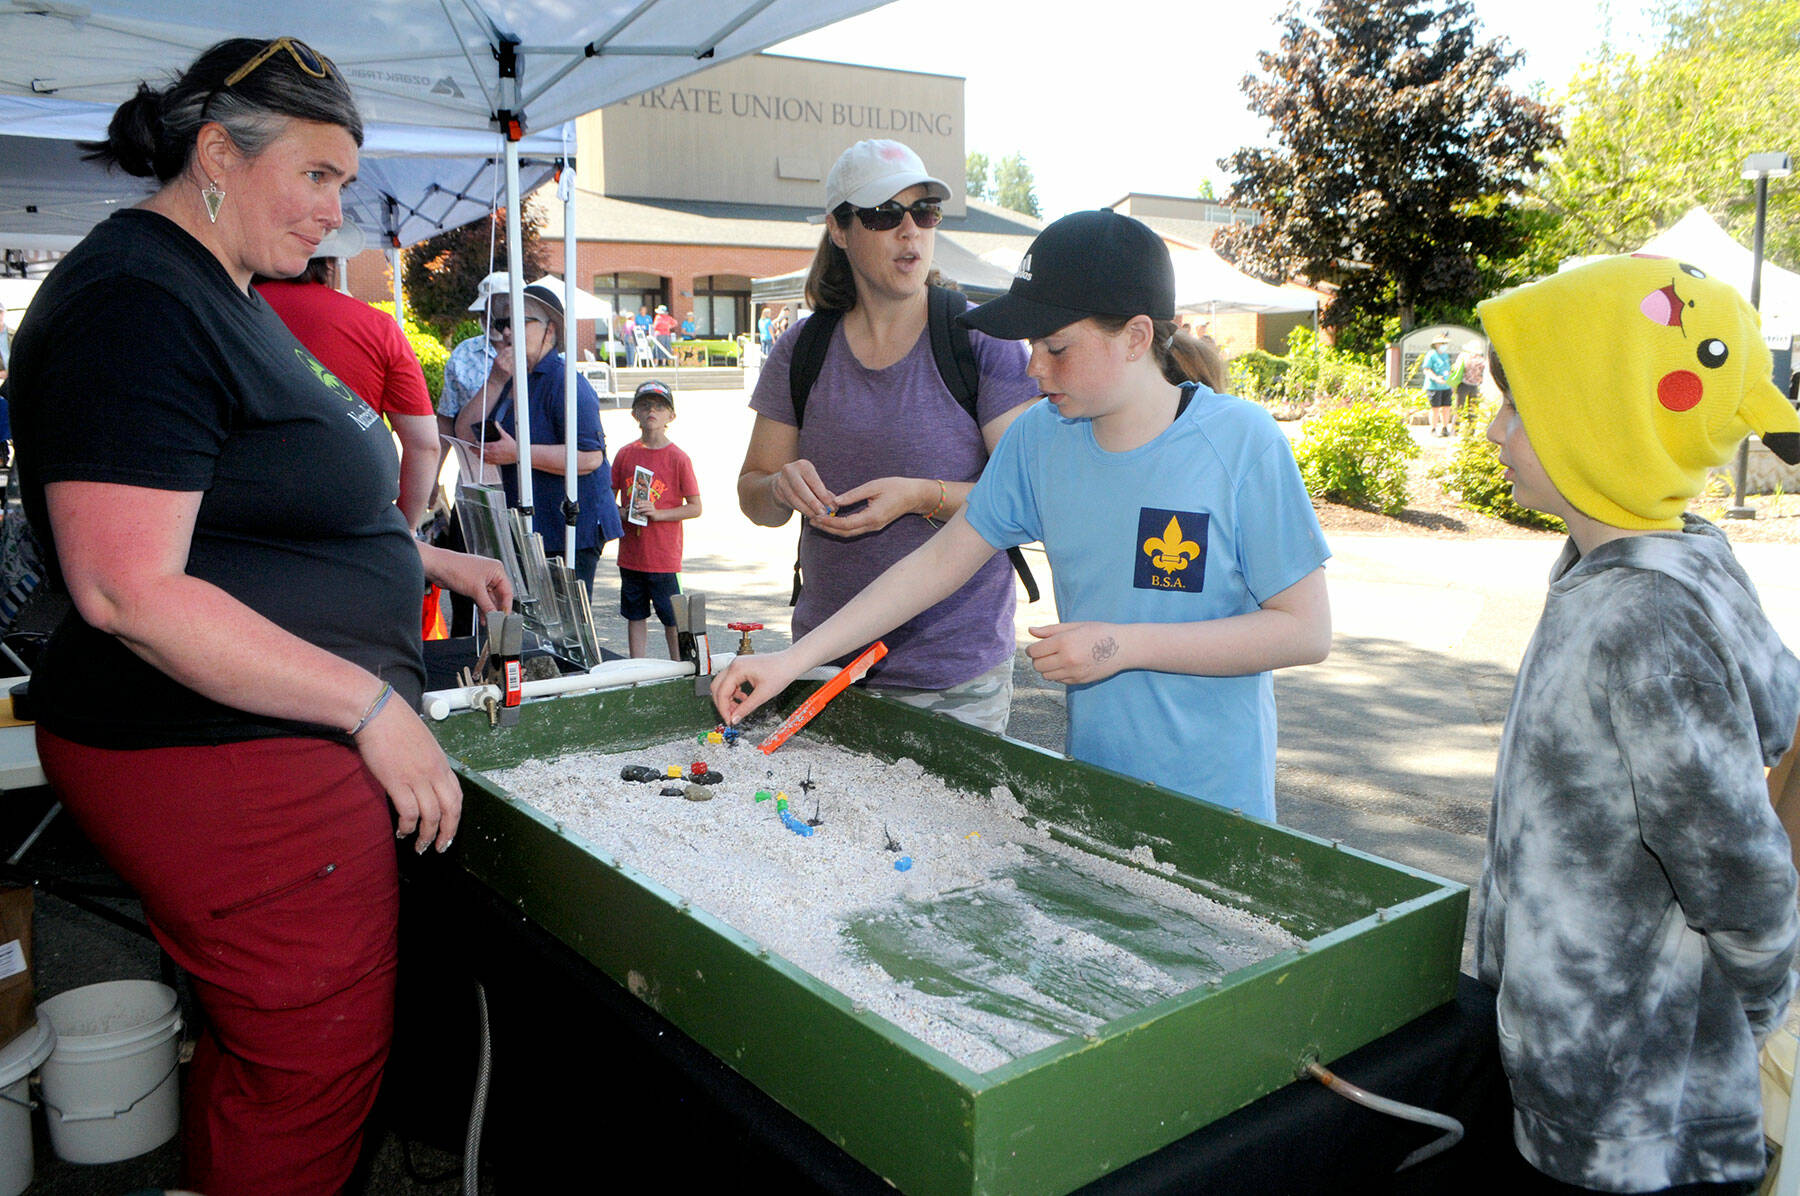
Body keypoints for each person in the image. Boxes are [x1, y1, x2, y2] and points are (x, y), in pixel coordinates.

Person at [6, 37, 512, 1195]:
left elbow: (248, 511)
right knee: (311, 1067)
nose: (338, 210)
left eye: (346, 181)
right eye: (318, 175)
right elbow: (127, 586)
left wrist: (421, 553)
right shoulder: (135, 298)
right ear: (218, 153)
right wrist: (370, 703)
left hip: (243, 744)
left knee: (261, 1055)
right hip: (229, 758)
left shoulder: (211, 286)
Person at [717, 210, 1332, 820]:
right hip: (1095, 790)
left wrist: (1122, 645)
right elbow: (934, 566)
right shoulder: (1039, 439)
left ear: (1137, 338)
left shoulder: (1240, 441)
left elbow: (1305, 630)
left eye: (1056, 346)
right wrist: (792, 662)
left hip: (1221, 804)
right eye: (1033, 344)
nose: (1034, 367)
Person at [1473, 254, 1800, 1194]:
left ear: (1598, 427)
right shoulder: (1612, 572)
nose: (1494, 429)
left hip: (1633, 1115)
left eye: (1520, 408)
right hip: (1583, 1062)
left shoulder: (1642, 615)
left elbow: (1736, 866)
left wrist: (1754, 1007)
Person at [734, 138, 1039, 732]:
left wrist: (924, 496)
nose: (910, 231)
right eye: (884, 214)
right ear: (840, 230)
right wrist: (778, 487)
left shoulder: (980, 342)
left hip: (953, 677)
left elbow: (1029, 499)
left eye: (923, 211)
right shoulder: (803, 348)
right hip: (823, 668)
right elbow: (754, 499)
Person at [257, 225, 437, 528]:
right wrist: (403, 529)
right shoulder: (377, 326)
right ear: (330, 262)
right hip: (352, 521)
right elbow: (425, 445)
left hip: (241, 523)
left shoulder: (219, 314)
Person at [451, 281, 621, 593]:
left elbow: (590, 457)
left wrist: (519, 453)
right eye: (503, 323)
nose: (506, 333)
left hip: (567, 528)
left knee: (564, 627)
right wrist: (497, 379)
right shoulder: (512, 378)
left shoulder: (566, 381)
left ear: (550, 331)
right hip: (529, 526)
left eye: (518, 322)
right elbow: (464, 431)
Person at [611, 380, 701, 659]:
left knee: (672, 618)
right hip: (631, 555)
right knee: (635, 614)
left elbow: (695, 507)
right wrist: (622, 513)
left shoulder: (678, 458)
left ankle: (678, 668)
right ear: (635, 414)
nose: (652, 411)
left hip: (663, 557)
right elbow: (607, 500)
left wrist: (658, 514)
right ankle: (637, 668)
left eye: (660, 407)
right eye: (645, 406)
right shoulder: (625, 454)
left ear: (670, 416)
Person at [1422, 332, 1454, 436]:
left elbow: (1448, 370)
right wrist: (1436, 378)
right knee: (1435, 408)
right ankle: (1433, 429)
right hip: (1434, 386)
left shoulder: (1445, 355)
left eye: (1445, 343)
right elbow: (1426, 369)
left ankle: (1445, 428)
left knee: (1446, 407)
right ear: (1436, 344)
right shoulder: (1431, 354)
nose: (1444, 346)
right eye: (1442, 343)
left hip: (1446, 386)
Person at [1452, 336, 1486, 423]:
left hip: (1463, 384)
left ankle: (1456, 428)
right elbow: (1483, 373)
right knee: (1473, 409)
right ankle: (1471, 430)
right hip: (1475, 386)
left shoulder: (1463, 356)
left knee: (1459, 407)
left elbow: (1456, 369)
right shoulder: (1481, 360)